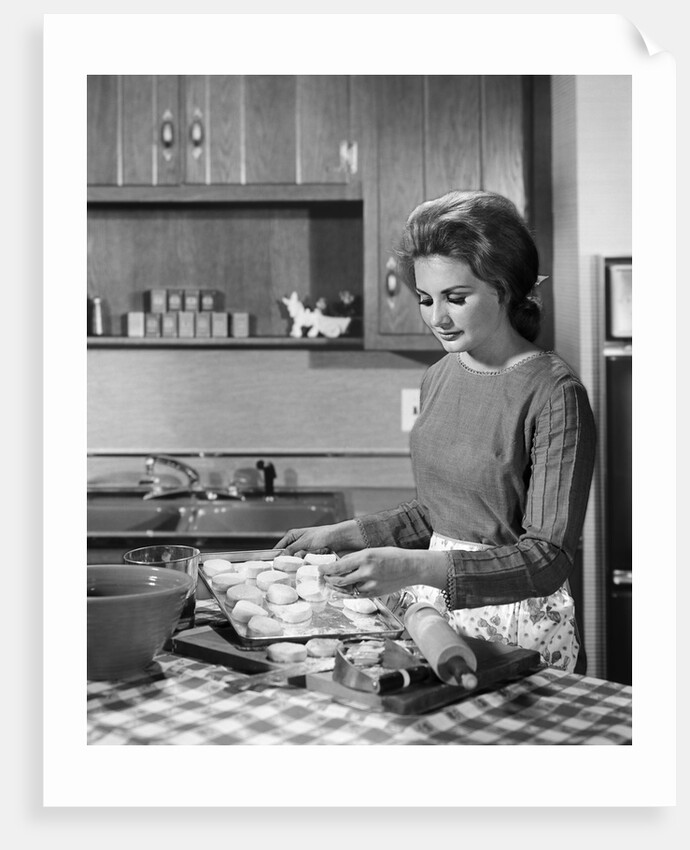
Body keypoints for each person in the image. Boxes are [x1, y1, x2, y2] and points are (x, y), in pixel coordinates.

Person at [276, 189, 596, 673]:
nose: (437, 318)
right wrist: (344, 534)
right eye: (426, 299)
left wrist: (412, 567)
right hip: (434, 617)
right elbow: (435, 513)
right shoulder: (440, 374)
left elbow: (546, 559)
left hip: (518, 628)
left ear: (506, 290)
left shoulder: (555, 394)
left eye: (457, 298)